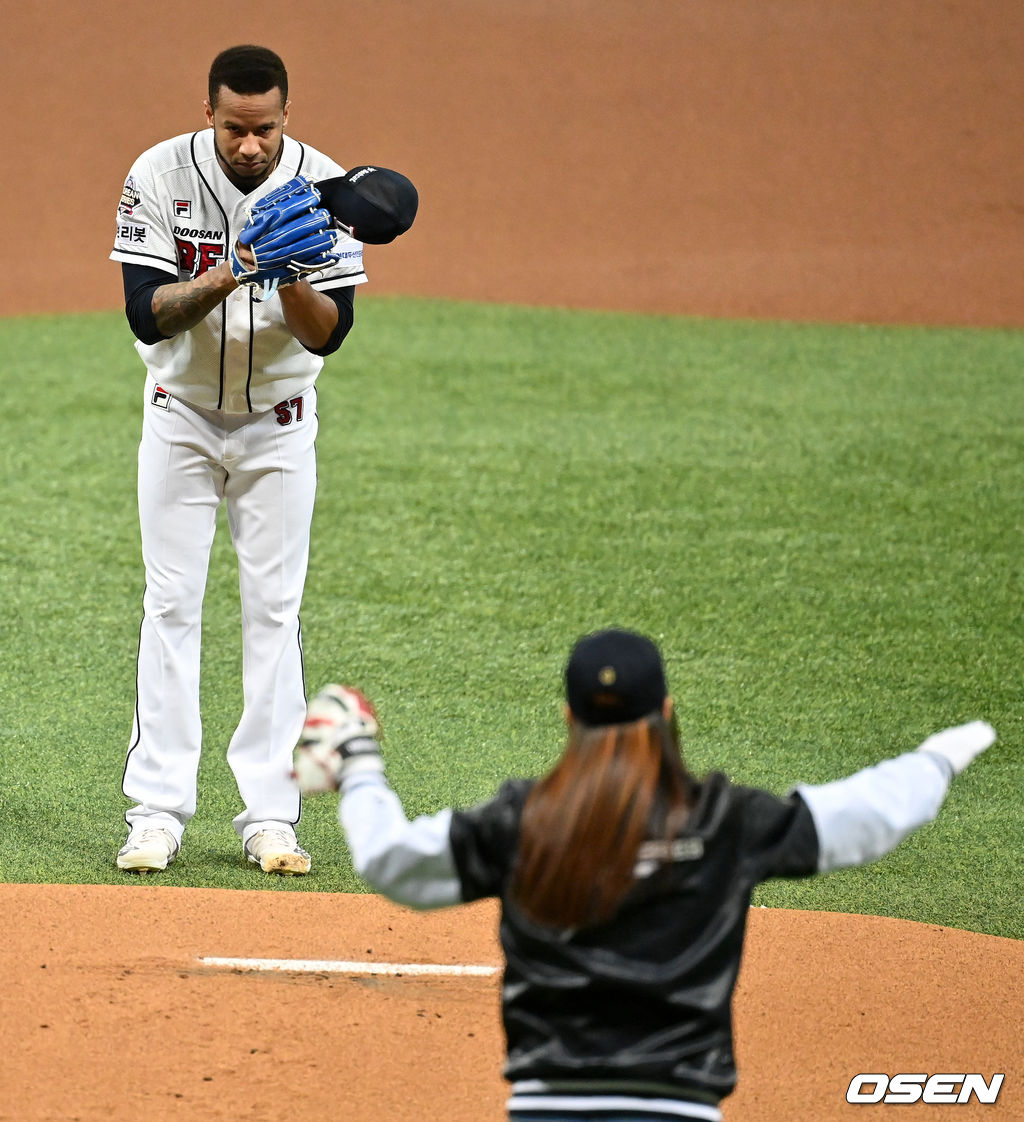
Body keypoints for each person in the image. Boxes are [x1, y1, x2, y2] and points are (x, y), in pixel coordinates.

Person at [293, 628, 997, 1121]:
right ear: (665, 713)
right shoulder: (722, 822)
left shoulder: (521, 822)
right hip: (680, 1109)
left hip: (545, 1109)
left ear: (568, 717)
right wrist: (936, 759)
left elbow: (391, 862)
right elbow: (863, 816)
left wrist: (360, 764)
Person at [110, 44, 368, 876]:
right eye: (233, 128)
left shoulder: (325, 185)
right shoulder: (157, 174)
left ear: (285, 116)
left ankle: (270, 819)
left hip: (281, 429)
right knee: (171, 605)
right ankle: (156, 814)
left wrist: (289, 273)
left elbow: (333, 330)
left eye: (263, 130)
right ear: (210, 113)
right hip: (180, 421)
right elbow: (147, 316)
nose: (248, 145)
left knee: (275, 613)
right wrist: (235, 272)